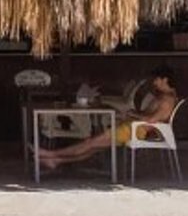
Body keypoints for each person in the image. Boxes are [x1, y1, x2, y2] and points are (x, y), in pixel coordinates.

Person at [36, 68, 180, 171]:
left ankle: (51, 154)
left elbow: (151, 120)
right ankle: (56, 160)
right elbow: (148, 115)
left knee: (90, 143)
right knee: (93, 147)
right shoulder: (164, 97)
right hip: (132, 127)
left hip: (134, 130)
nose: (154, 82)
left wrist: (132, 114)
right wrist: (132, 114)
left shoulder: (166, 100)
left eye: (157, 79)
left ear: (165, 80)